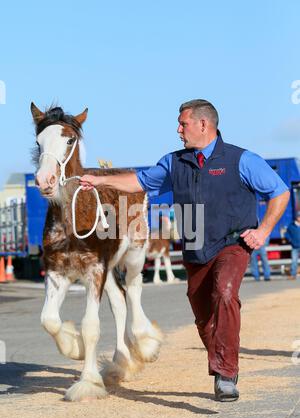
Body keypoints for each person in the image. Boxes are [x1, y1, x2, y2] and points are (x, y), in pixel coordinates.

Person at [80, 99, 290, 402]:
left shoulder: (241, 160)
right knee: (204, 318)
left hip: (233, 243)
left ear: (203, 124)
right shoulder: (173, 162)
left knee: (226, 292)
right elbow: (139, 182)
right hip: (195, 248)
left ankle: (226, 374)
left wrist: (264, 230)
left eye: (183, 123)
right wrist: (99, 180)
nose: (178, 130)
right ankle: (222, 358)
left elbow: (280, 192)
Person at [285, 212, 300, 279]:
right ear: (296, 217)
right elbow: (287, 234)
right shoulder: (291, 226)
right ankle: (293, 275)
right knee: (294, 261)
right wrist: (291, 240)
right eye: (298, 216)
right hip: (295, 246)